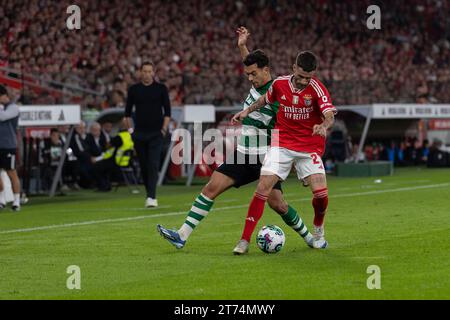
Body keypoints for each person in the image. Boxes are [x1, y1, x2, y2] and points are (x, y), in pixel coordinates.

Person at [157, 27, 317, 254]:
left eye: (253, 74)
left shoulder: (279, 93)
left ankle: (310, 237)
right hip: (243, 154)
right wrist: (242, 46)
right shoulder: (258, 81)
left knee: (277, 204)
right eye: (248, 74)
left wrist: (299, 163)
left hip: (267, 158)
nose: (250, 78)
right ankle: (181, 235)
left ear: (266, 70)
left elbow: (295, 126)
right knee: (211, 188)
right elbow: (250, 64)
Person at [231, 51, 336, 250]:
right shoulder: (280, 84)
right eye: (301, 76)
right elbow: (264, 100)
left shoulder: (317, 88)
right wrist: (247, 111)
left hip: (308, 147)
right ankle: (244, 240)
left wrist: (324, 125)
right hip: (282, 145)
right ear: (294, 68)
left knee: (321, 194)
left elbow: (329, 114)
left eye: (308, 77)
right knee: (263, 187)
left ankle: (318, 230)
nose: (304, 81)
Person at [125, 61, 171, 208]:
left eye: (149, 71)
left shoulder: (161, 89)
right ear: (140, 72)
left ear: (153, 72)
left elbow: (167, 112)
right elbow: (127, 113)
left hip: (156, 133)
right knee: (144, 166)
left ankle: (152, 197)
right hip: (139, 134)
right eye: (144, 71)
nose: (147, 74)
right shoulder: (134, 89)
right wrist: (130, 131)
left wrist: (163, 129)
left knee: (153, 164)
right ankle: (149, 193)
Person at [91, 119, 134, 191]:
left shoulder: (119, 137)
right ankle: (107, 185)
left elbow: (108, 146)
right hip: (127, 162)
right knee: (103, 167)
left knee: (96, 167)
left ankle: (103, 186)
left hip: (116, 161)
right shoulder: (130, 136)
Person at [0, 85, 22, 211]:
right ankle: (1, 199)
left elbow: (2, 117)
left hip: (8, 145)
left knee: (11, 172)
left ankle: (16, 201)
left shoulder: (13, 107)